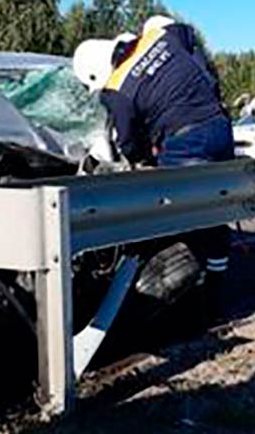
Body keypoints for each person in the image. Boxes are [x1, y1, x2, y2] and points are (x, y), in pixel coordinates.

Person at [72, 19, 234, 318]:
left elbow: (131, 144)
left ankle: (197, 302)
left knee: (184, 219)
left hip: (185, 142)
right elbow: (187, 34)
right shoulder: (158, 37)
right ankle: (217, 283)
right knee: (217, 209)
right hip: (220, 126)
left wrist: (145, 157)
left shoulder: (116, 88)